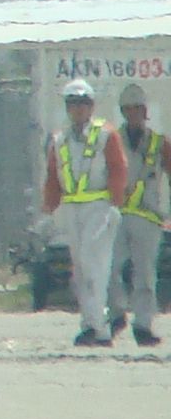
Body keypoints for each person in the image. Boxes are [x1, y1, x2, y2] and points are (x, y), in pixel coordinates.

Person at [43, 78, 127, 347]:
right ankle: (90, 323)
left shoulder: (105, 134)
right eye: (73, 103)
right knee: (80, 270)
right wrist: (50, 208)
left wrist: (115, 203)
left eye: (83, 103)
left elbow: (117, 168)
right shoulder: (59, 139)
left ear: (92, 106)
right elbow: (53, 176)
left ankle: (99, 327)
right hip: (73, 209)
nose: (78, 108)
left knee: (95, 267)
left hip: (99, 207)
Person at [110, 85, 165, 348]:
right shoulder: (112, 141)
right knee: (110, 269)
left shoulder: (159, 143)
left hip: (147, 217)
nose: (133, 114)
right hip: (117, 215)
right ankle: (116, 314)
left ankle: (143, 324)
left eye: (137, 109)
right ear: (123, 112)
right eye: (128, 109)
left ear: (145, 111)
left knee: (144, 274)